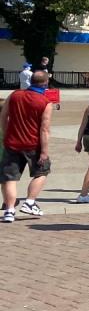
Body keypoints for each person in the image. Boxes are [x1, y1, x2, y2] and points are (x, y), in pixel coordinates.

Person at [0, 69, 55, 222]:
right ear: (46, 83)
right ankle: (30, 202)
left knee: (9, 178)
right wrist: (44, 151)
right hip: (33, 144)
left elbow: (4, 116)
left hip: (12, 143)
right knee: (41, 172)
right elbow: (44, 129)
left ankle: (9, 210)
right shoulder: (45, 102)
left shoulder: (15, 95)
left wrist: (6, 134)